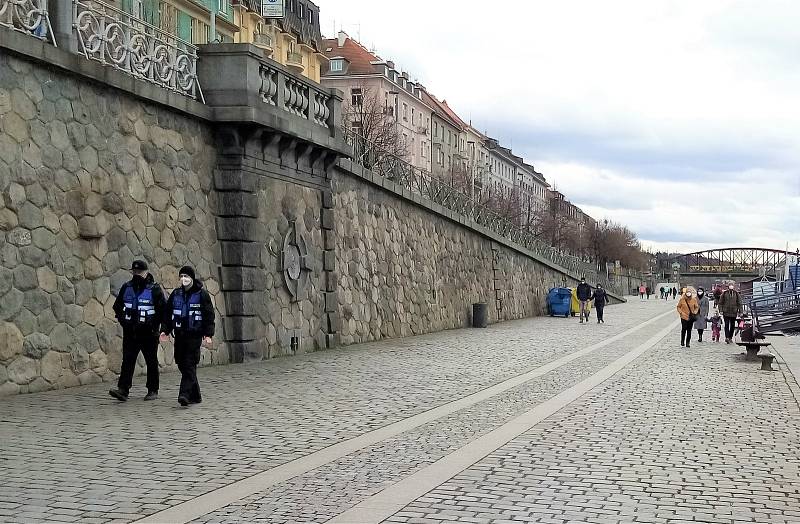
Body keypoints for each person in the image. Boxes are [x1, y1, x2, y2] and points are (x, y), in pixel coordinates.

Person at [109, 260, 167, 402]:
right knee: (127, 361)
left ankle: (153, 390)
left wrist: (157, 327)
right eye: (134, 272)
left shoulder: (154, 289)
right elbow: (117, 306)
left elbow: (163, 311)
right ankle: (123, 389)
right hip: (131, 332)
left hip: (149, 333)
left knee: (151, 361)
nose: (136, 275)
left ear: (146, 272)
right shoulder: (127, 287)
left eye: (139, 272)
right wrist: (124, 322)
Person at [161, 266, 215, 406]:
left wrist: (208, 334)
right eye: (182, 276)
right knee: (181, 363)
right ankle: (195, 395)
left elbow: (208, 315)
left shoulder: (201, 295)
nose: (184, 279)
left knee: (190, 363)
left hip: (194, 335)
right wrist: (165, 330)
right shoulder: (176, 294)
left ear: (192, 278)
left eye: (187, 276)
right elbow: (168, 314)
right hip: (179, 335)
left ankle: (184, 394)